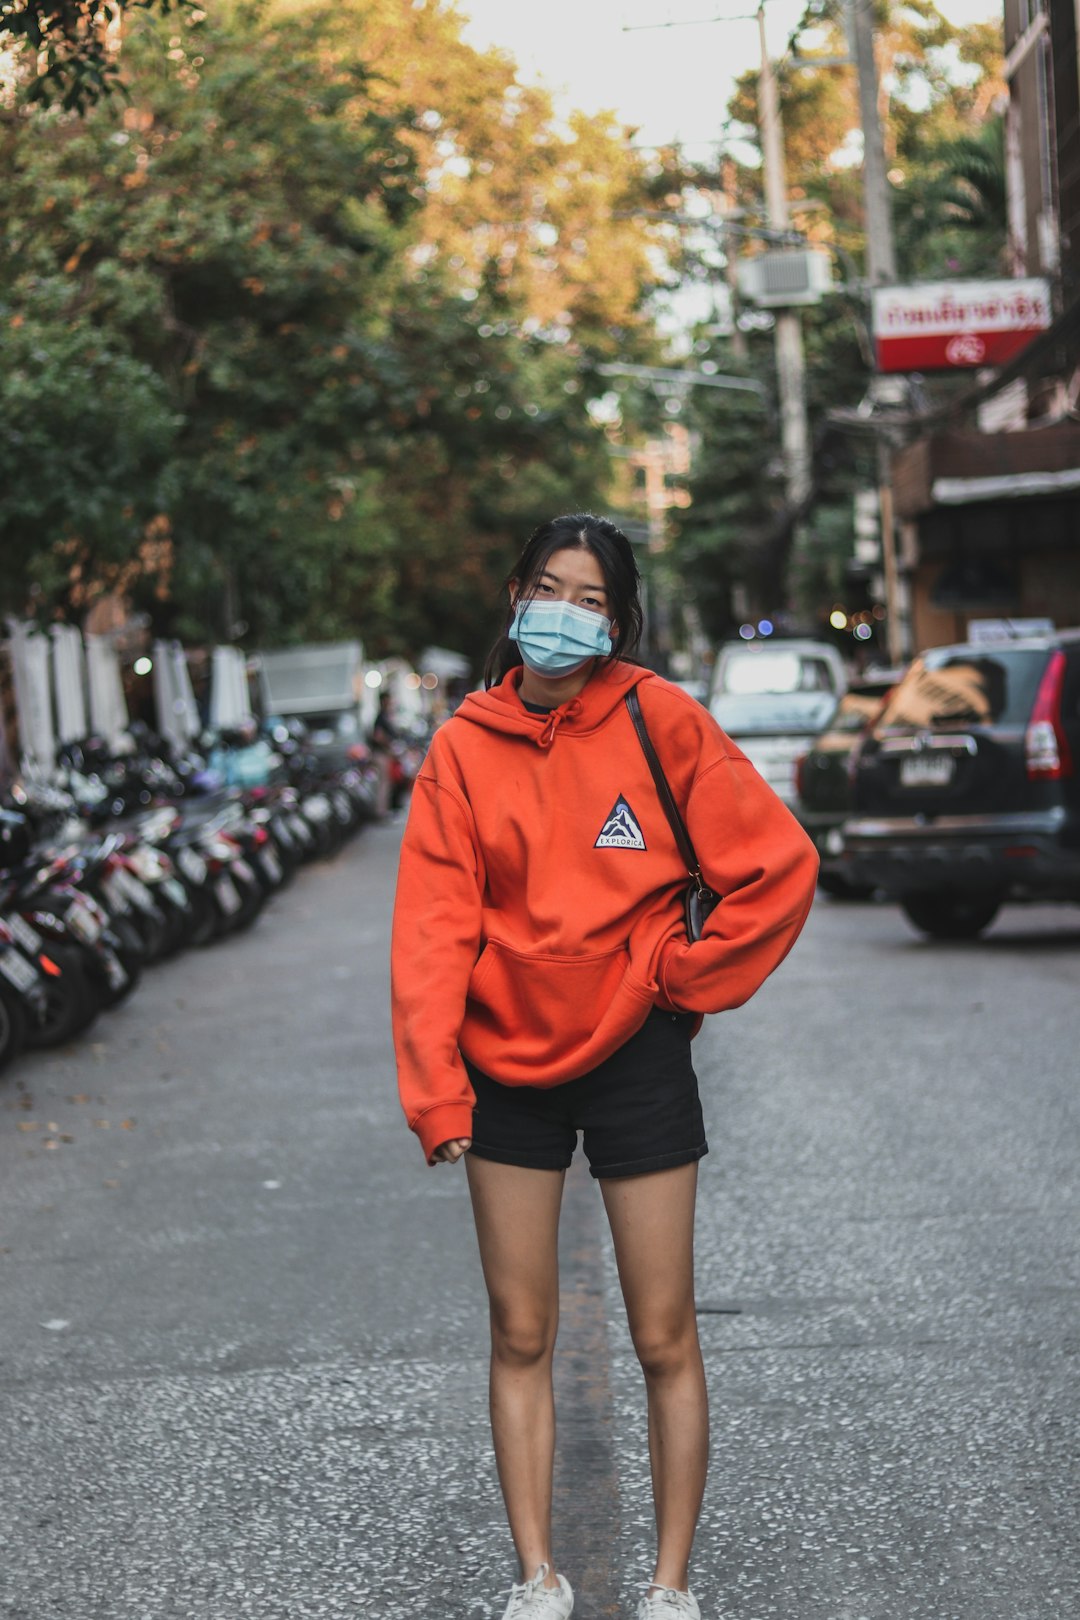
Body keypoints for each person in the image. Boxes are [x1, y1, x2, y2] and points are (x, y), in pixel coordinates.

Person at [391, 513, 818, 1620]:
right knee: (520, 1330)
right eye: (547, 587)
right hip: (503, 1068)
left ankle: (672, 1588)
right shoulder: (463, 747)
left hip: (637, 1055)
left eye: (589, 598)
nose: (563, 612)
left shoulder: (662, 720)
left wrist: (682, 975)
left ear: (619, 623)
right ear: (514, 602)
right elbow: (434, 930)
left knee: (663, 1333)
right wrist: (435, 1086)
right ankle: (536, 1580)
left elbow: (777, 867)